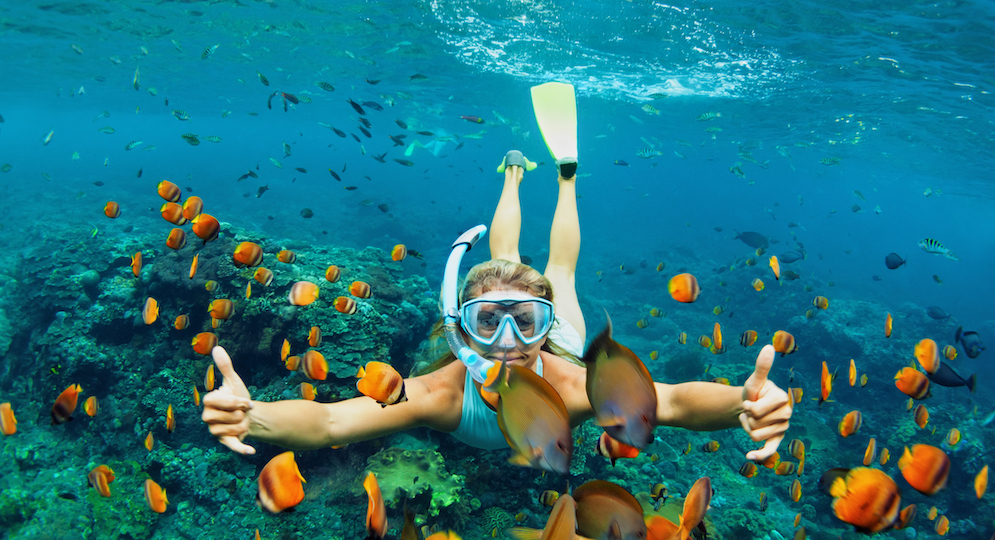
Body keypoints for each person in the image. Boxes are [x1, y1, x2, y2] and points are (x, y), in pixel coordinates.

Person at [202, 85, 791, 462]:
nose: (508, 339)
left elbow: (673, 403)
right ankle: (513, 175)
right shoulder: (441, 394)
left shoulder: (573, 383)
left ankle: (563, 177)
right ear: (462, 327)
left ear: (545, 323)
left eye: (525, 319)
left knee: (558, 268)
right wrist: (255, 417)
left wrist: (744, 402)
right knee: (511, 257)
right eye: (489, 320)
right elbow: (332, 421)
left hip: (564, 347)